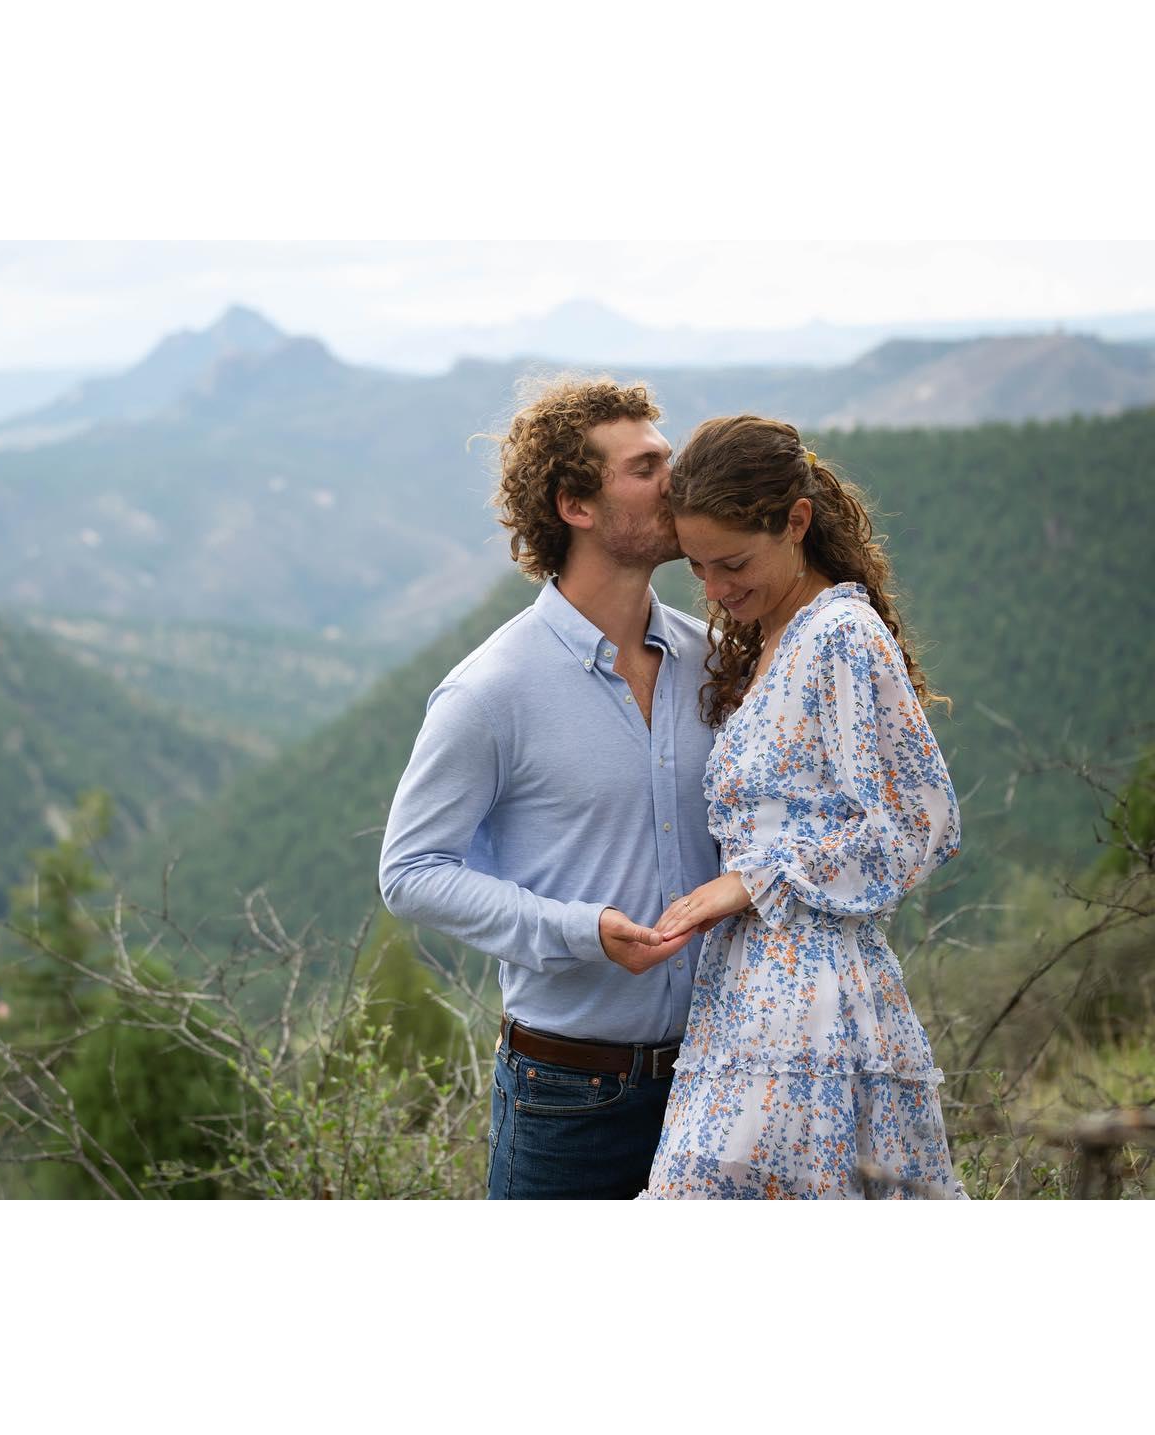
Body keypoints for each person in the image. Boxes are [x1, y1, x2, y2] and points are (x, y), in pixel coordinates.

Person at [379, 376, 721, 1200]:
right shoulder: (490, 691)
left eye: (668, 459)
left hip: (721, 1080)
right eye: (645, 468)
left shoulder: (714, 661)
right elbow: (410, 873)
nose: (675, 482)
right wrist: (579, 930)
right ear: (576, 505)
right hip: (569, 1099)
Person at [641, 414, 966, 1199]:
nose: (715, 590)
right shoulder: (770, 636)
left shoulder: (841, 635)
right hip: (745, 994)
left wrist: (756, 881)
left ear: (795, 522)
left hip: (813, 1002)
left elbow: (920, 823)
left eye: (733, 563)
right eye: (698, 568)